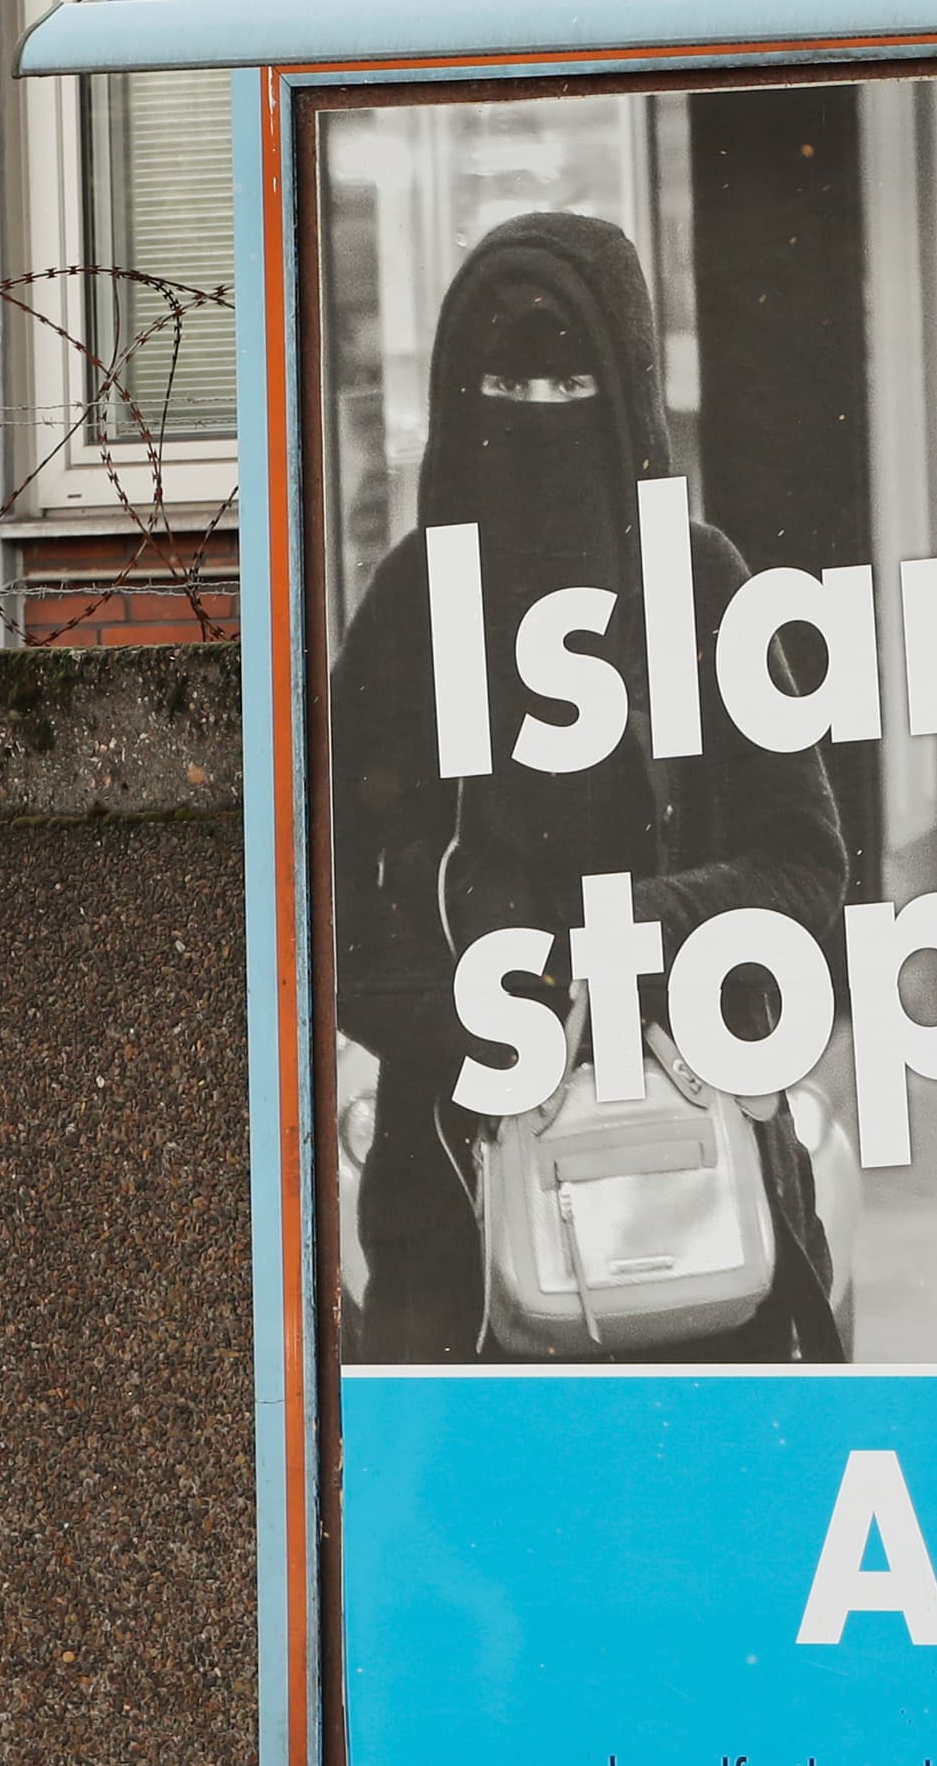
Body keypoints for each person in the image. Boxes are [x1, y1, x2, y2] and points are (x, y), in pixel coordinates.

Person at [328, 211, 848, 1363]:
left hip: (689, 1183)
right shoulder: (416, 606)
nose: (537, 419)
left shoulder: (704, 587)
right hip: (450, 1203)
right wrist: (462, 1018)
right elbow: (324, 897)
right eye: (506, 385)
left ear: (627, 402)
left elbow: (805, 869)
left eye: (572, 383)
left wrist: (613, 944)